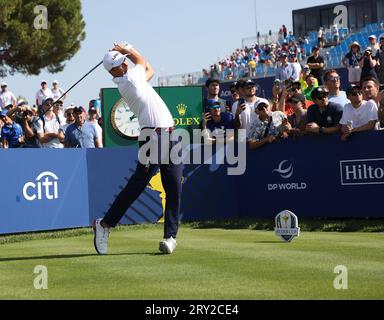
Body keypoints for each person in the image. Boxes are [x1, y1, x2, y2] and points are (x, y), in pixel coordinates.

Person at [94, 42, 184, 255]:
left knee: (174, 188)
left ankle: (170, 237)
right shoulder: (131, 81)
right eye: (120, 63)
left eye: (123, 61)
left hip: (170, 136)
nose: (124, 63)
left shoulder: (134, 79)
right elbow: (142, 62)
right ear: (114, 71)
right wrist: (128, 48)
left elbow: (148, 69)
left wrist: (126, 54)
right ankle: (104, 225)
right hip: (153, 137)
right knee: (137, 185)